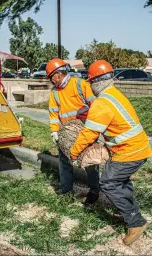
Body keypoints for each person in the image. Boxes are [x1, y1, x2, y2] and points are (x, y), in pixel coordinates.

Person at [69, 60, 152, 245]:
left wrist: (74, 153)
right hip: (139, 148)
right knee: (121, 181)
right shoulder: (113, 95)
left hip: (129, 152)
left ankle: (135, 221)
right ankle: (129, 212)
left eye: (89, 82)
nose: (89, 86)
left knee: (108, 183)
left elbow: (88, 134)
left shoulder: (101, 103)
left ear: (96, 82)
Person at [46, 58, 100, 205]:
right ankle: (66, 192)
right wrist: (54, 131)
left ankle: (95, 191)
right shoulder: (55, 93)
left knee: (90, 161)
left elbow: (95, 106)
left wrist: (94, 128)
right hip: (65, 133)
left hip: (84, 130)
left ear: (58, 74)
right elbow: (53, 113)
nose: (51, 80)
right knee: (64, 162)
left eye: (51, 77)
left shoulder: (80, 84)